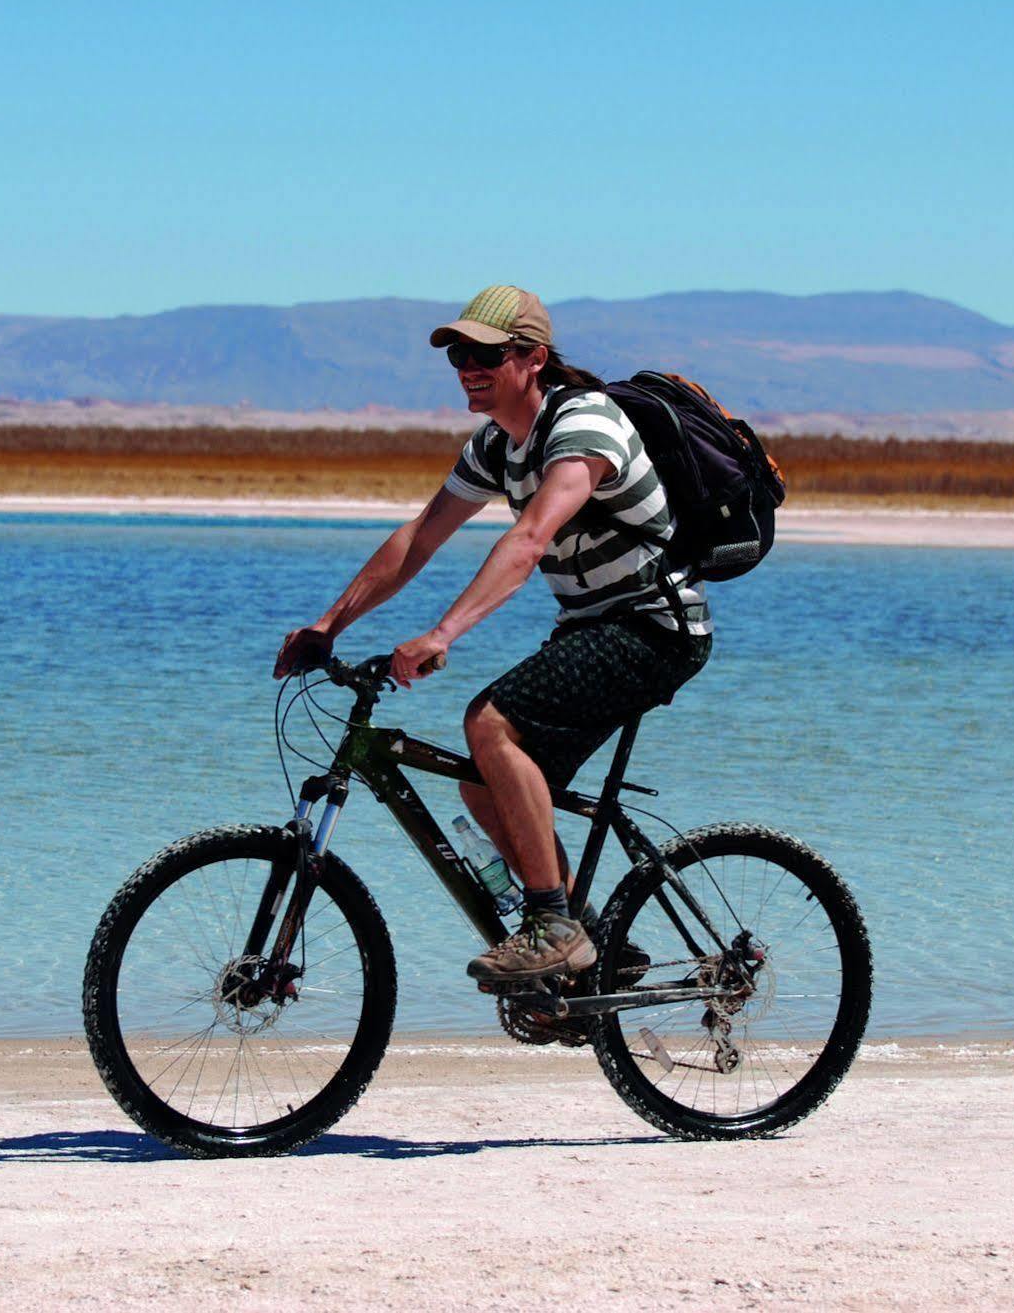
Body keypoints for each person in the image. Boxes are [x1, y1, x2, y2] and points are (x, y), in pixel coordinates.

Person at [273, 284, 711, 984]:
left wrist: (443, 631)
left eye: (484, 354)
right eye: (457, 356)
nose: (467, 368)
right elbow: (419, 538)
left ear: (533, 357)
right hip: (590, 628)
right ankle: (595, 945)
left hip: (651, 627)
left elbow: (530, 537)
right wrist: (329, 625)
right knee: (484, 783)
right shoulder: (497, 446)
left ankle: (553, 926)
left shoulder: (585, 425)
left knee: (490, 722)